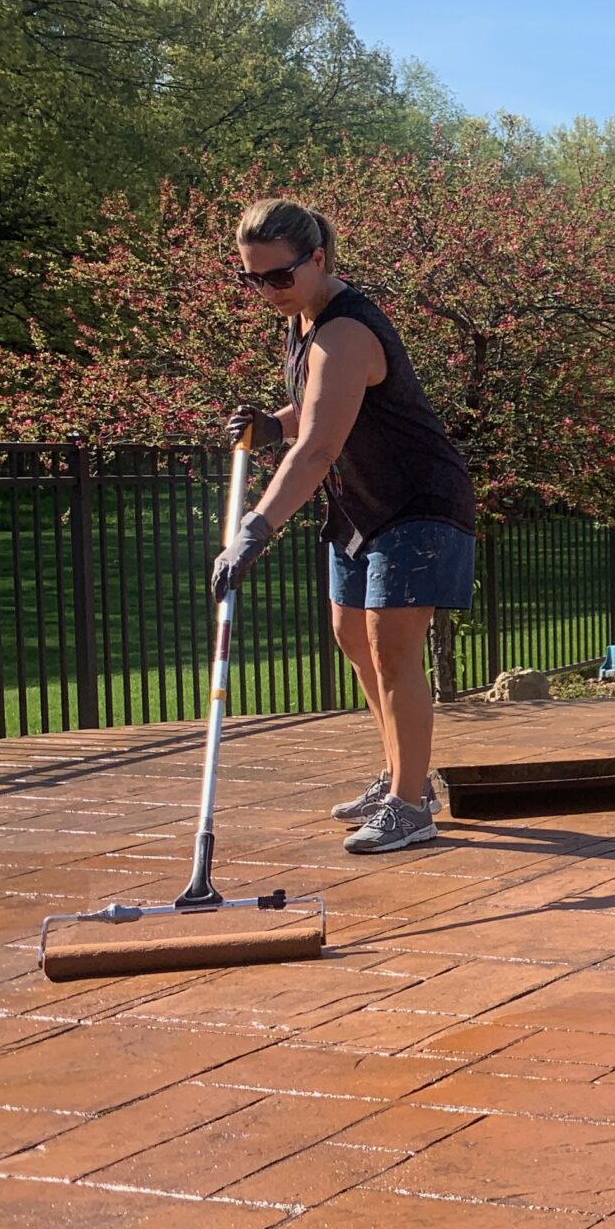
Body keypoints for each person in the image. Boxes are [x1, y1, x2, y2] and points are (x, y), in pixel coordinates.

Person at [209, 198, 477, 854]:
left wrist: (256, 528)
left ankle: (411, 806)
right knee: (351, 635)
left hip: (417, 500)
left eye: (278, 277)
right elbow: (318, 408)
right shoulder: (302, 319)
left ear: (318, 259)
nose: (266, 292)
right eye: (253, 279)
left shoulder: (347, 329)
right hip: (361, 505)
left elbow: (319, 448)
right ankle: (400, 776)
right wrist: (274, 423)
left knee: (391, 648)